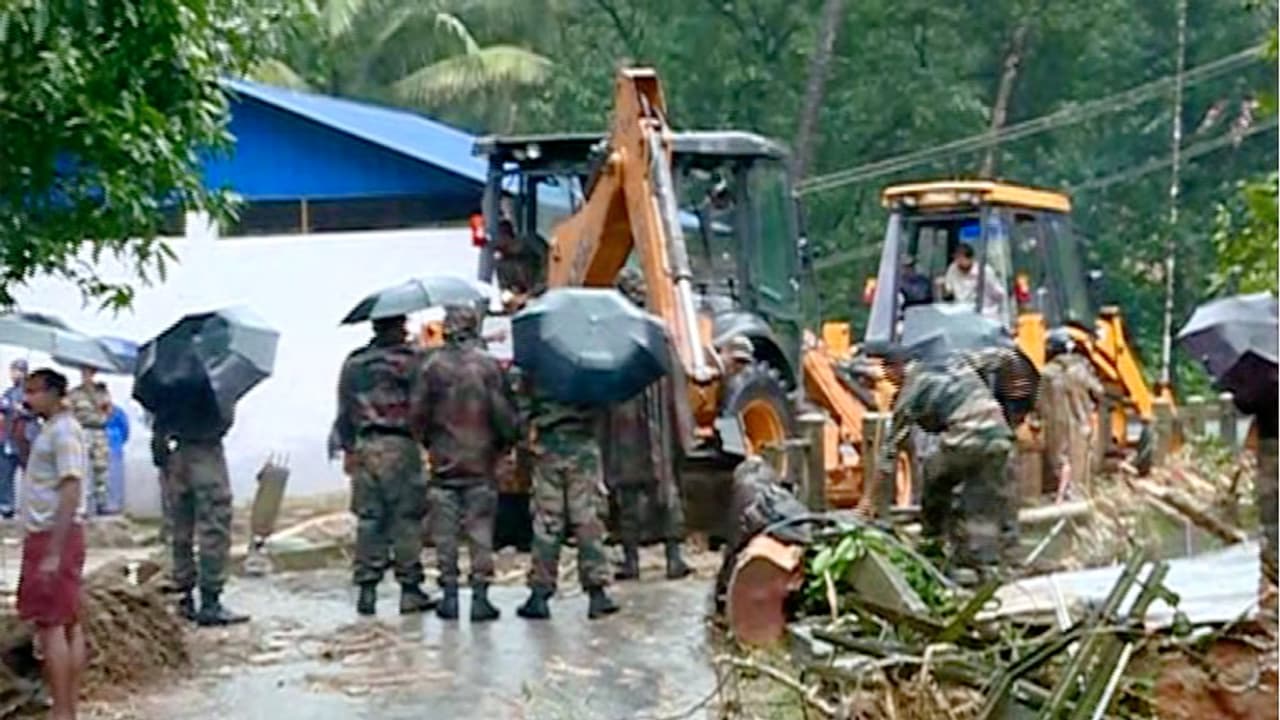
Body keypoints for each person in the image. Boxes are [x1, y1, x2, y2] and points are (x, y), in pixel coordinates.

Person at [410, 304, 518, 622]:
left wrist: (431, 444)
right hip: (481, 463)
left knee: (445, 536)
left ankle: (450, 597)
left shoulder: (431, 367)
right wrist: (503, 446)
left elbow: (417, 417)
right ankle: (481, 598)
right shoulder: (488, 366)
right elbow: (504, 416)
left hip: (443, 464)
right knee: (480, 532)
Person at [873, 345, 1014, 584]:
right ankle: (989, 565)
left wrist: (871, 501)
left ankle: (933, 546)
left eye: (888, 374)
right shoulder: (951, 361)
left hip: (966, 437)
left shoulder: (912, 389)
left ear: (896, 368)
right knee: (985, 502)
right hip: (1000, 437)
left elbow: (889, 451)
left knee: (935, 479)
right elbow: (999, 356)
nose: (889, 381)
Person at [334, 314, 436, 617]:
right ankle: (409, 589)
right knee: (406, 519)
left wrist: (348, 448)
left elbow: (344, 411)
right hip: (400, 446)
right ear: (398, 327)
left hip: (365, 447)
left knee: (370, 520)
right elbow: (424, 405)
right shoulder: (413, 362)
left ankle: (367, 589)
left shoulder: (354, 363)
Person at [603, 268, 691, 582]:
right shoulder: (659, 332)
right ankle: (673, 558)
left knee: (628, 492)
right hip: (658, 422)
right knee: (665, 486)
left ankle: (632, 561)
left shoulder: (612, 336)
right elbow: (677, 383)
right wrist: (683, 429)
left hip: (624, 422)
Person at [515, 367, 620, 621]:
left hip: (547, 445)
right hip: (583, 445)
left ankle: (540, 593)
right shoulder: (588, 363)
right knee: (587, 518)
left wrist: (526, 436)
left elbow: (521, 407)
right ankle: (597, 592)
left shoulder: (538, 363)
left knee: (547, 520)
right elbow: (605, 404)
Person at [16, 368, 88, 720]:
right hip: (49, 534)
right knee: (67, 620)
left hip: (53, 534)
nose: (27, 399)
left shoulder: (64, 432)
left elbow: (71, 487)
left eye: (34, 392)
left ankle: (62, 709)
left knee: (52, 624)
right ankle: (66, 707)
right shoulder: (50, 430)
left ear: (55, 393)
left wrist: (55, 550)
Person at [153, 364, 250, 626]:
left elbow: (158, 428)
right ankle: (210, 600)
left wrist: (161, 453)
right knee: (214, 526)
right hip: (206, 453)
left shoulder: (166, 378)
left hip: (177, 454)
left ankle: (183, 595)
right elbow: (224, 420)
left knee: (180, 528)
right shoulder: (219, 378)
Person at [1036, 329, 1103, 499]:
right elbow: (1099, 393)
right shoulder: (1082, 370)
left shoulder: (1046, 374)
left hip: (1055, 431)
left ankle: (1061, 500)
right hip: (1082, 429)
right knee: (1081, 471)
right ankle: (1079, 500)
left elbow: (1036, 405)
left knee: (1059, 468)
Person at [66, 366, 111, 515]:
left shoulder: (102, 392)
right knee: (81, 469)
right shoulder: (74, 393)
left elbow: (109, 411)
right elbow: (69, 413)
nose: (87, 376)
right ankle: (82, 506)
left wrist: (101, 407)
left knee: (101, 468)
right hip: (83, 431)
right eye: (84, 373)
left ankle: (102, 503)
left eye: (90, 373)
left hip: (99, 431)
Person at [942, 234, 1007, 322]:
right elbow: (948, 290)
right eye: (956, 259)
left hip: (986, 314)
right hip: (962, 313)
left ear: (971, 259)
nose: (958, 263)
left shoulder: (984, 271)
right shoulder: (953, 268)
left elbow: (999, 294)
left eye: (962, 259)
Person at [0, 359, 30, 517]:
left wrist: (22, 409)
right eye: (12, 370)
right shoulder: (8, 393)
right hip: (9, 439)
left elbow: (36, 412)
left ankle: (31, 508)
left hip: (26, 439)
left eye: (17, 371)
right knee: (5, 474)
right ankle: (6, 507)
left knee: (31, 476)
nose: (13, 374)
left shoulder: (32, 393)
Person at [103, 404, 129, 514]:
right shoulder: (91, 414)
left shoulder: (117, 411)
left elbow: (125, 429)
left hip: (114, 448)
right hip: (102, 448)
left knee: (114, 477)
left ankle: (114, 505)